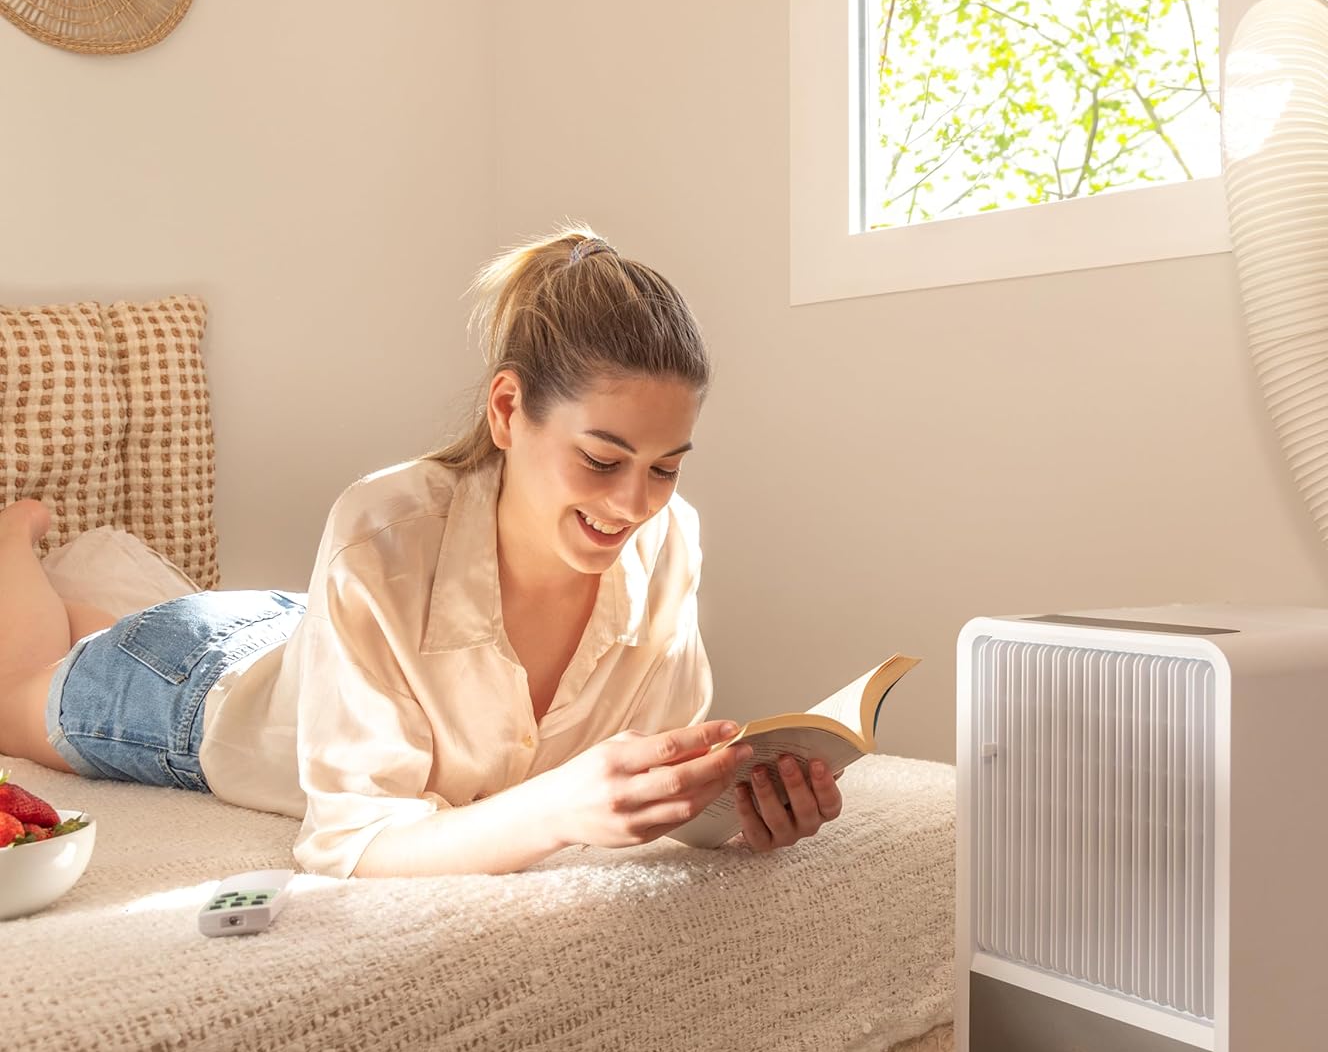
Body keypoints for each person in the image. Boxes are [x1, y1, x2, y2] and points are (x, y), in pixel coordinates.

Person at [0, 228, 842, 878]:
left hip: (314, 639)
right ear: (508, 411)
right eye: (601, 459)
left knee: (108, 625)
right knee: (14, 695)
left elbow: (651, 783)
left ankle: (93, 607)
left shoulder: (669, 537)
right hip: (201, 685)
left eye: (664, 468)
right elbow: (351, 847)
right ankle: (16, 535)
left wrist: (735, 813)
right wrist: (558, 810)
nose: (633, 505)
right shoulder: (383, 530)